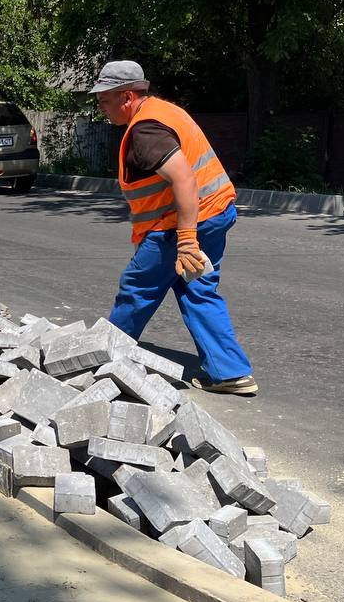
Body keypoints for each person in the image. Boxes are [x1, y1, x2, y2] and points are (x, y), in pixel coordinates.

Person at [92, 60, 257, 395]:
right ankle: (230, 373)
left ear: (126, 96)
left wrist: (185, 241)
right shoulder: (164, 111)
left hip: (178, 227)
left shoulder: (146, 129)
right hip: (215, 213)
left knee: (138, 287)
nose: (101, 108)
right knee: (197, 288)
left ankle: (101, 358)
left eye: (104, 100)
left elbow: (184, 179)